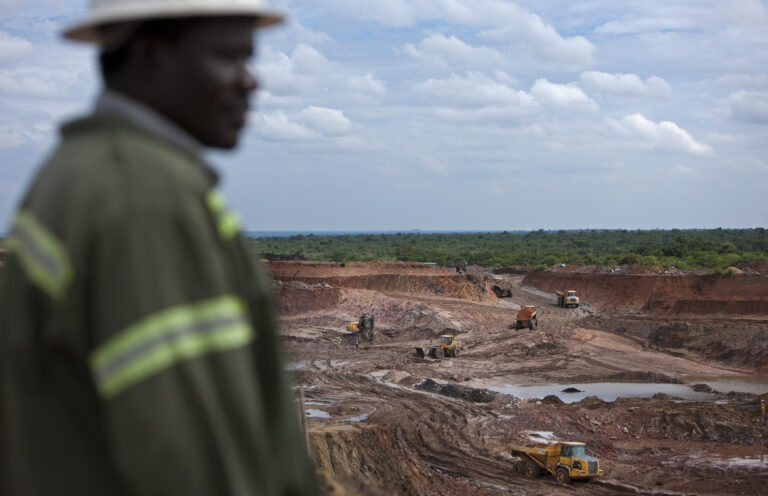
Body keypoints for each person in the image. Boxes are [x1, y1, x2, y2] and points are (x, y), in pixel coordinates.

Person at [0, 1, 319, 495]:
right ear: (149, 54)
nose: (250, 81)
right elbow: (191, 463)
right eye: (229, 57)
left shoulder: (80, 176)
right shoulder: (143, 203)